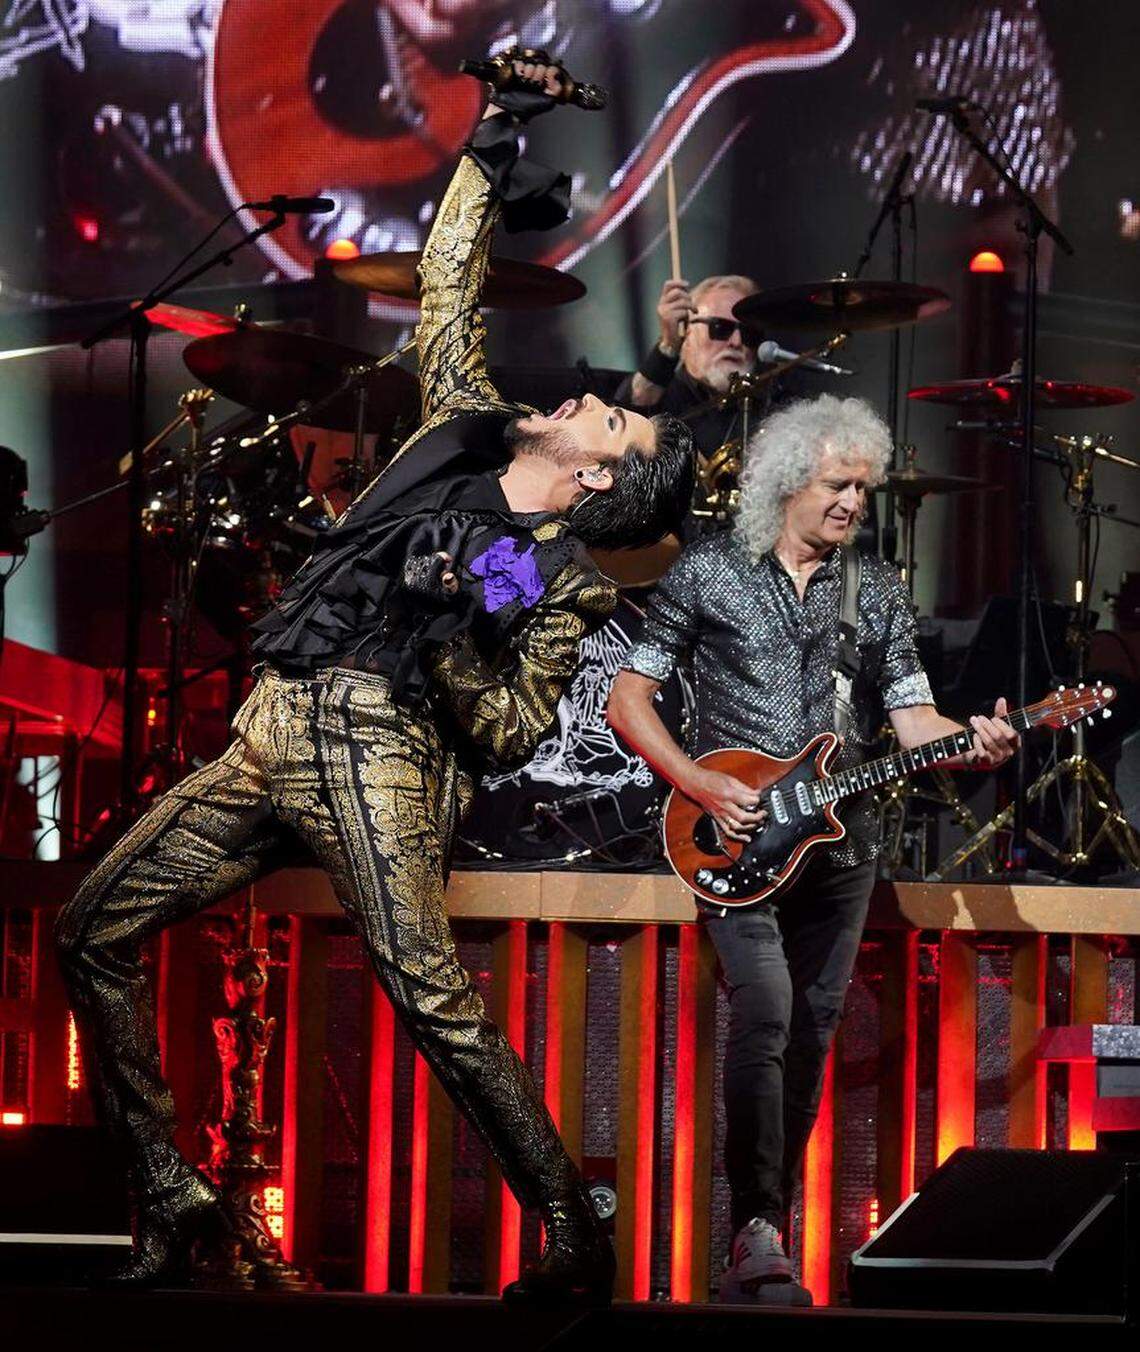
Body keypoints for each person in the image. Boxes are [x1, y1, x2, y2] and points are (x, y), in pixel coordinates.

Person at [56, 54, 693, 1304]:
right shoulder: (456, 425)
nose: (589, 394)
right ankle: (177, 1197)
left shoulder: (553, 575)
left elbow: (508, 730)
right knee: (91, 931)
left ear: (605, 478)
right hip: (272, 719)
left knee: (428, 992)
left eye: (614, 417)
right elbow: (448, 286)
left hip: (380, 742)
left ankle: (575, 1228)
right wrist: (495, 132)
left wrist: (458, 625)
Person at [606, 393, 1016, 1304]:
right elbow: (627, 698)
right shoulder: (710, 569)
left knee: (813, 1031)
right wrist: (700, 781)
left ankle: (767, 1230)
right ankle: (755, 1217)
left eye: (863, 490)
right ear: (791, 481)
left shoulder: (872, 589)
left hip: (842, 842)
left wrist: (976, 737)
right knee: (767, 1013)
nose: (851, 504)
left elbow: (911, 717)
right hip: (731, 839)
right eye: (838, 484)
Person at [615, 274, 811, 534]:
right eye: (720, 328)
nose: (736, 342)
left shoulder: (773, 410)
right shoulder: (661, 396)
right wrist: (667, 347)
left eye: (749, 333)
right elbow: (630, 406)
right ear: (686, 330)